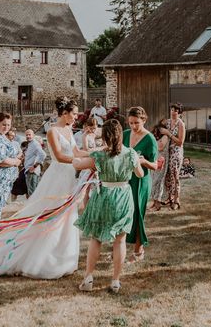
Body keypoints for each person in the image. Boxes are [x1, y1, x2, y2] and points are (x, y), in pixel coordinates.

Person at [0, 97, 89, 278]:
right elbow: (60, 156)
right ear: (64, 113)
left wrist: (95, 154)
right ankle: (41, 261)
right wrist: (82, 162)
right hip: (57, 177)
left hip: (69, 176)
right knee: (52, 216)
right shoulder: (52, 131)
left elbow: (76, 151)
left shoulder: (69, 130)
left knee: (67, 216)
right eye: (74, 113)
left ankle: (63, 260)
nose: (77, 117)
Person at [75, 119, 144, 293]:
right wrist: (139, 161)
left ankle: (89, 278)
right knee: (120, 240)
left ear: (104, 137)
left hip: (104, 195)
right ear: (121, 135)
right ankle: (115, 281)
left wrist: (74, 154)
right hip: (123, 196)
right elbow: (140, 174)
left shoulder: (99, 155)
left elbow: (77, 164)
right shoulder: (131, 154)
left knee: (96, 237)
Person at [123, 106, 159, 263]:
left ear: (144, 120)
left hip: (141, 180)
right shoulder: (124, 135)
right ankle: (120, 248)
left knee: (137, 213)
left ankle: (139, 250)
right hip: (124, 179)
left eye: (136, 122)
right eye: (130, 123)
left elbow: (155, 165)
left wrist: (144, 161)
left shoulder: (150, 138)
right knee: (123, 213)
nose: (133, 126)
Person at [161, 103, 186, 210]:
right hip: (167, 151)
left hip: (176, 152)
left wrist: (169, 133)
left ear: (179, 113)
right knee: (166, 175)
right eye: (172, 110)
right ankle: (169, 197)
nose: (173, 112)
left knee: (175, 175)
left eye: (176, 110)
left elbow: (180, 142)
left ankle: (176, 199)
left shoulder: (180, 124)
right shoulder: (167, 122)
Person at [149, 118, 169, 211]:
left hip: (161, 161)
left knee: (158, 181)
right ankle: (153, 202)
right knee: (153, 181)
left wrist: (153, 142)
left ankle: (158, 204)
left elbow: (160, 147)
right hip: (155, 160)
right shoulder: (158, 138)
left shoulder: (165, 137)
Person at [23, 129, 46, 197]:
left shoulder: (35, 144)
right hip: (29, 171)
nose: (28, 136)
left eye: (29, 134)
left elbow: (43, 155)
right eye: (26, 135)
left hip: (32, 172)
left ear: (33, 135)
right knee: (32, 193)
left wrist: (34, 166)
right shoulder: (31, 144)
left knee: (32, 194)